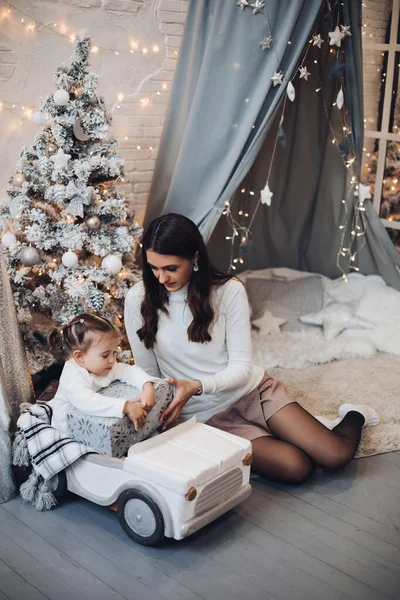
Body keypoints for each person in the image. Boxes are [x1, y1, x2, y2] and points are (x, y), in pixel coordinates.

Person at [124, 214, 379, 484]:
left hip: (251, 391)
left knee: (335, 455)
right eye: (154, 268)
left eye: (171, 268)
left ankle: (354, 414)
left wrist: (197, 385)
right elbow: (147, 373)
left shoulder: (228, 291)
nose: (161, 277)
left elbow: (242, 369)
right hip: (207, 417)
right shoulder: (138, 300)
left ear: (195, 257)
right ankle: (290, 430)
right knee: (297, 467)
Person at [48, 313, 158, 435]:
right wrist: (125, 407)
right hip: (68, 433)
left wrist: (146, 386)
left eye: (114, 352)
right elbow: (88, 401)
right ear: (80, 357)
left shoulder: (106, 366)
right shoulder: (72, 376)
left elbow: (128, 371)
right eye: (105, 355)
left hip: (97, 429)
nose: (112, 359)